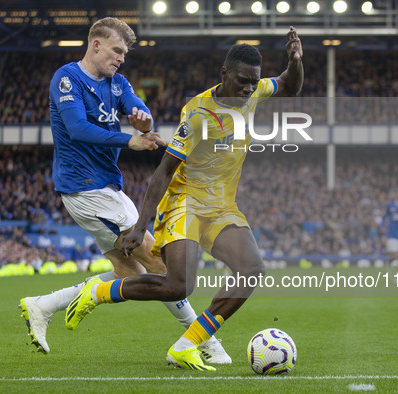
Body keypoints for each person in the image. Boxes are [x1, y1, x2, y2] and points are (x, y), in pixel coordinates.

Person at [66, 27, 304, 371]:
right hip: (185, 203)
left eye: (253, 82)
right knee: (179, 286)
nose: (249, 89)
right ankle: (97, 293)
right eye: (242, 81)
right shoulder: (198, 115)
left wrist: (295, 60)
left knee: (252, 269)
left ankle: (185, 344)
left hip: (221, 206)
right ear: (224, 74)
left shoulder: (252, 92)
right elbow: (162, 173)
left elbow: (290, 85)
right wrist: (139, 227)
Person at [19, 17, 230, 363]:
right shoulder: (67, 79)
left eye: (124, 54)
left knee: (130, 275)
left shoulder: (117, 83)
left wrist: (142, 119)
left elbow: (138, 108)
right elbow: (76, 128)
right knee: (160, 265)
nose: (120, 58)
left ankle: (43, 305)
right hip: (86, 190)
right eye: (116, 50)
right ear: (96, 44)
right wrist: (129, 139)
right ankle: (200, 341)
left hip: (108, 188)